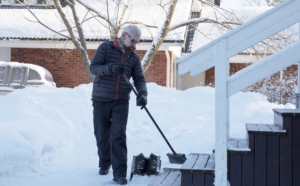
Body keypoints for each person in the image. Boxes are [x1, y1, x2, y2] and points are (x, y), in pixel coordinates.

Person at [90, 25, 147, 185]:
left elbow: (139, 79)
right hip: (101, 98)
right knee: (102, 135)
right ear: (124, 35)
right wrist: (111, 68)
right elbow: (93, 69)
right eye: (133, 40)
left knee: (118, 136)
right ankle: (105, 162)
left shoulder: (133, 58)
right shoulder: (106, 48)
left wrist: (142, 93)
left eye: (137, 42)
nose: (134, 45)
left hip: (121, 101)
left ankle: (119, 173)